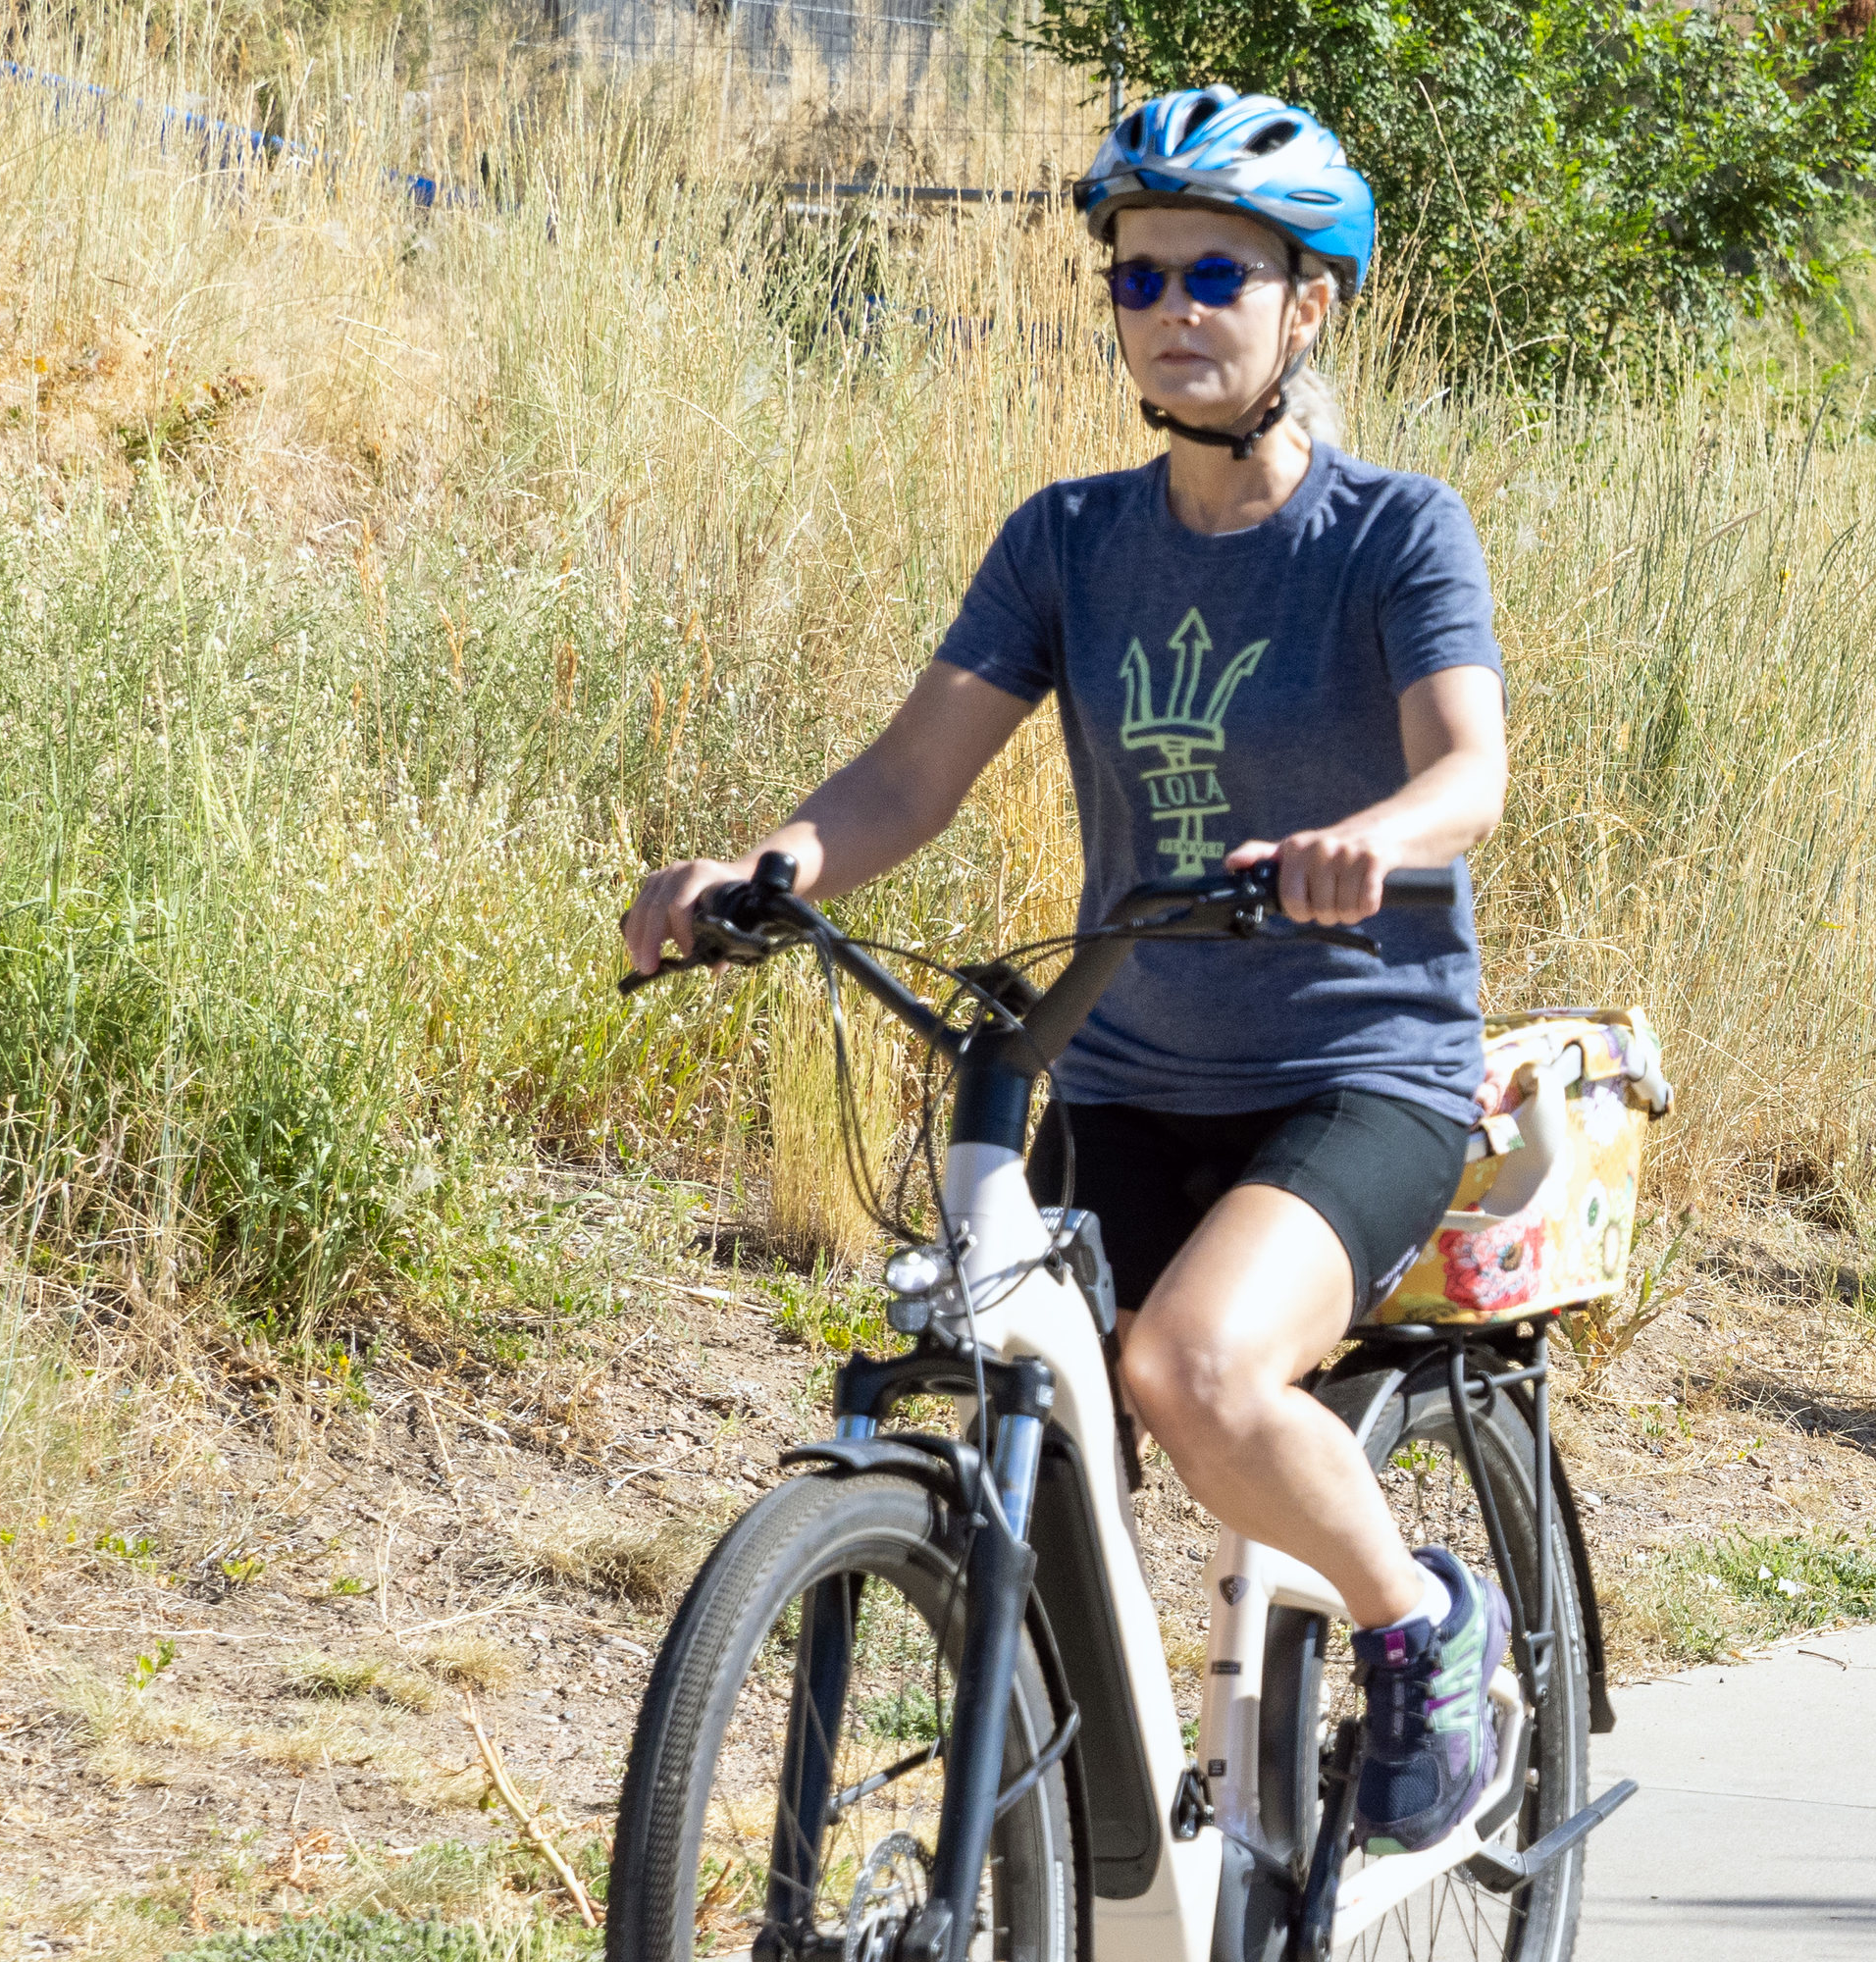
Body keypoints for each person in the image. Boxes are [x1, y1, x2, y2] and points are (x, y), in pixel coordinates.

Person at [615, 86, 1519, 1853]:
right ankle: (1068, 1924)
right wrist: (765, 871)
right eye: (1137, 276)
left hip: (1360, 1067)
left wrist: (1370, 838)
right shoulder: (1067, 540)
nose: (1172, 308)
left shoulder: (1395, 534)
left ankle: (1423, 1621)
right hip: (1123, 1067)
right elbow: (906, 780)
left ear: (1307, 303)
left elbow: (1467, 771)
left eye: (1216, 274)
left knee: (1189, 1371)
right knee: (1019, 1428)